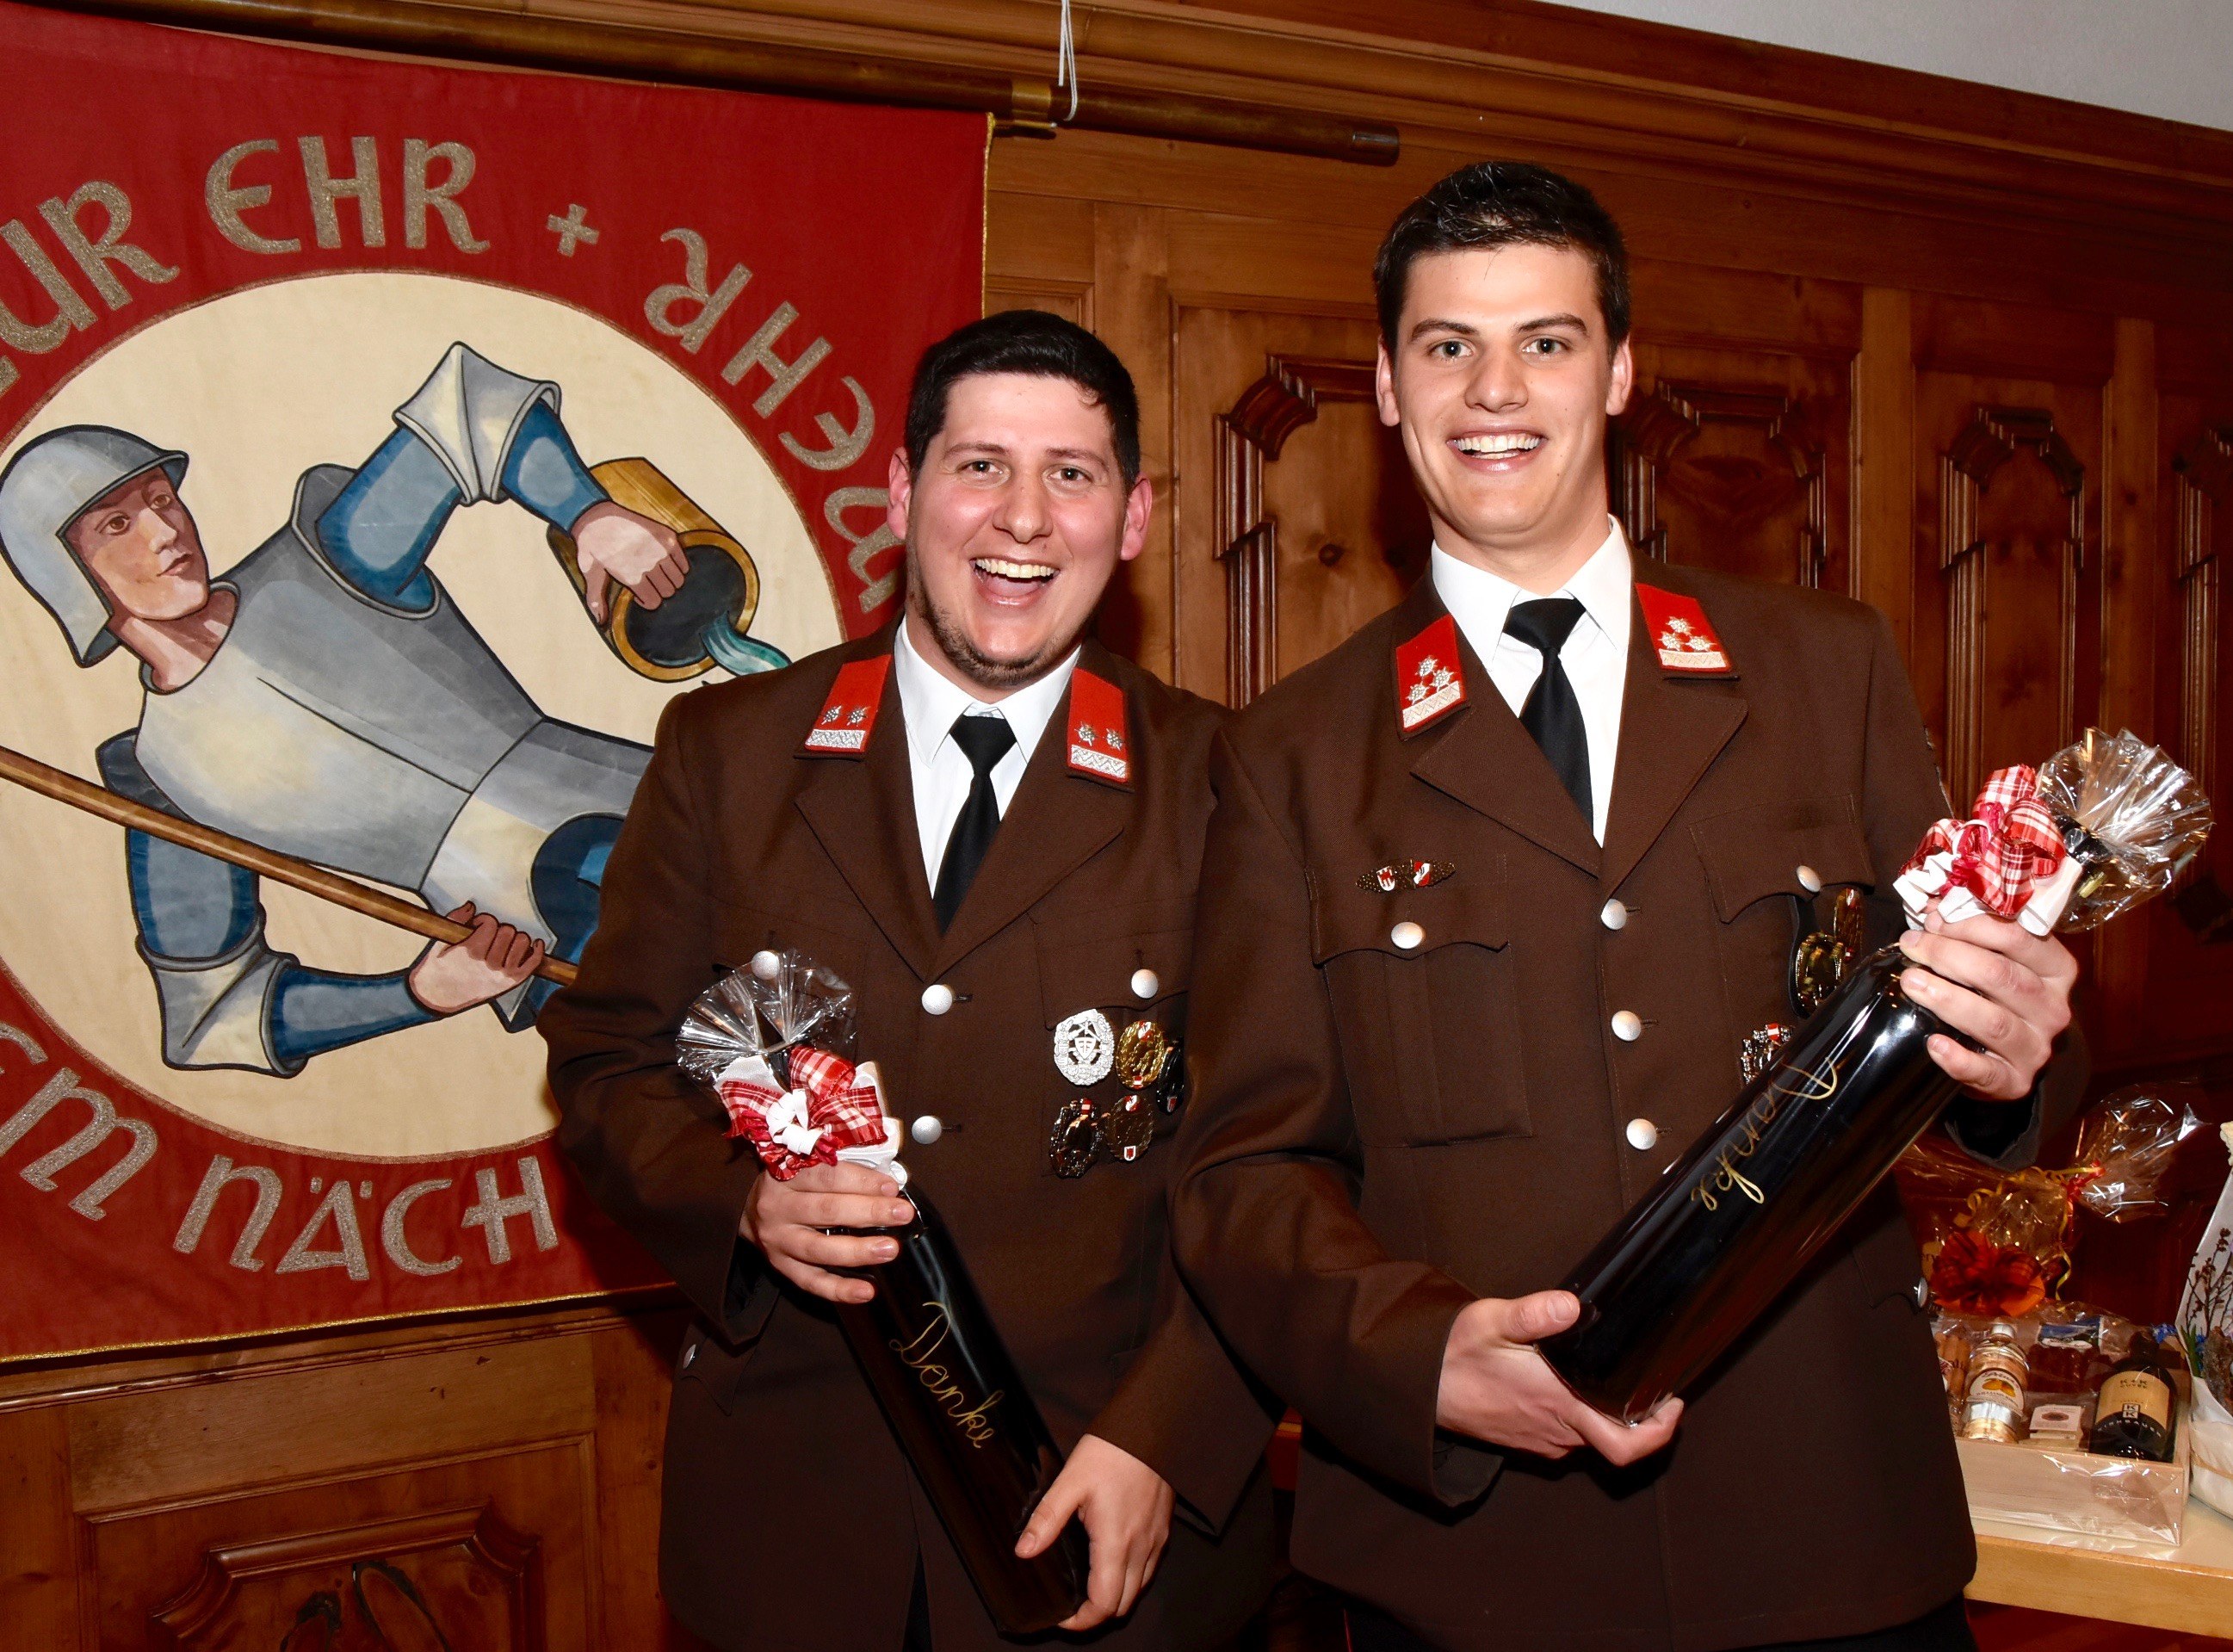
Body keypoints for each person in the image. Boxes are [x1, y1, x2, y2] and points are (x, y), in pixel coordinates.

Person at [1168, 163, 2083, 1652]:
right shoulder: (1291, 754)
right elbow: (1241, 1169)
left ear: (1617, 372)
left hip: (1827, 1523)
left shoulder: (1822, 667)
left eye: (1545, 339)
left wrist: (2021, 1043)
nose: (1494, 389)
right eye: (1446, 345)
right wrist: (1418, 1357)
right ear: (1388, 389)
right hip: (1475, 1568)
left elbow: (1987, 1038)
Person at [541, 309, 1276, 1652]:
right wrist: (740, 1201)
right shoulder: (728, 750)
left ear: (1131, 516)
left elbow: (1285, 1152)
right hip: (796, 1527)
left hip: (1108, 1511)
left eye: (1071, 473)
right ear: (902, 490)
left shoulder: (1229, 784)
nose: (1023, 516)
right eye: (979, 464)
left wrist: (1167, 1432)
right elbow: (606, 1061)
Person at [0, 343, 698, 1072]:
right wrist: (418, 993)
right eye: (116, 525)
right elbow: (215, 1014)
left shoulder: (326, 559)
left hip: (664, 811)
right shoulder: (161, 782)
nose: (164, 531)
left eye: (160, 499)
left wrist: (588, 511)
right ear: (70, 575)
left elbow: (469, 409)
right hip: (553, 943)